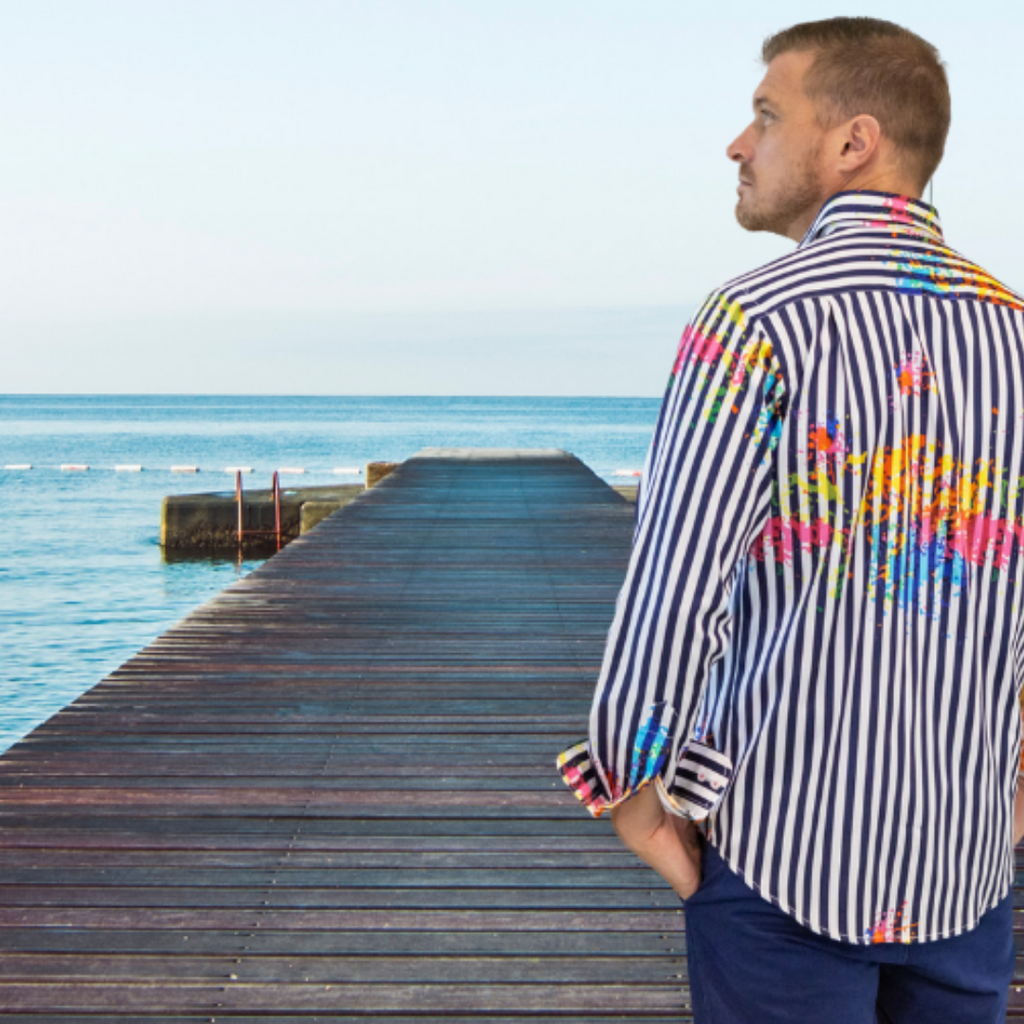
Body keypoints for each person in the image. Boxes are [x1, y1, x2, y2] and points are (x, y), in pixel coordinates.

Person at [557, 17, 1024, 1024]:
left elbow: (676, 584)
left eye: (766, 115)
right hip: (970, 863)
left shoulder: (752, 322)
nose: (738, 143)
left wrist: (630, 788)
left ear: (853, 142)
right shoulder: (1015, 333)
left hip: (780, 860)